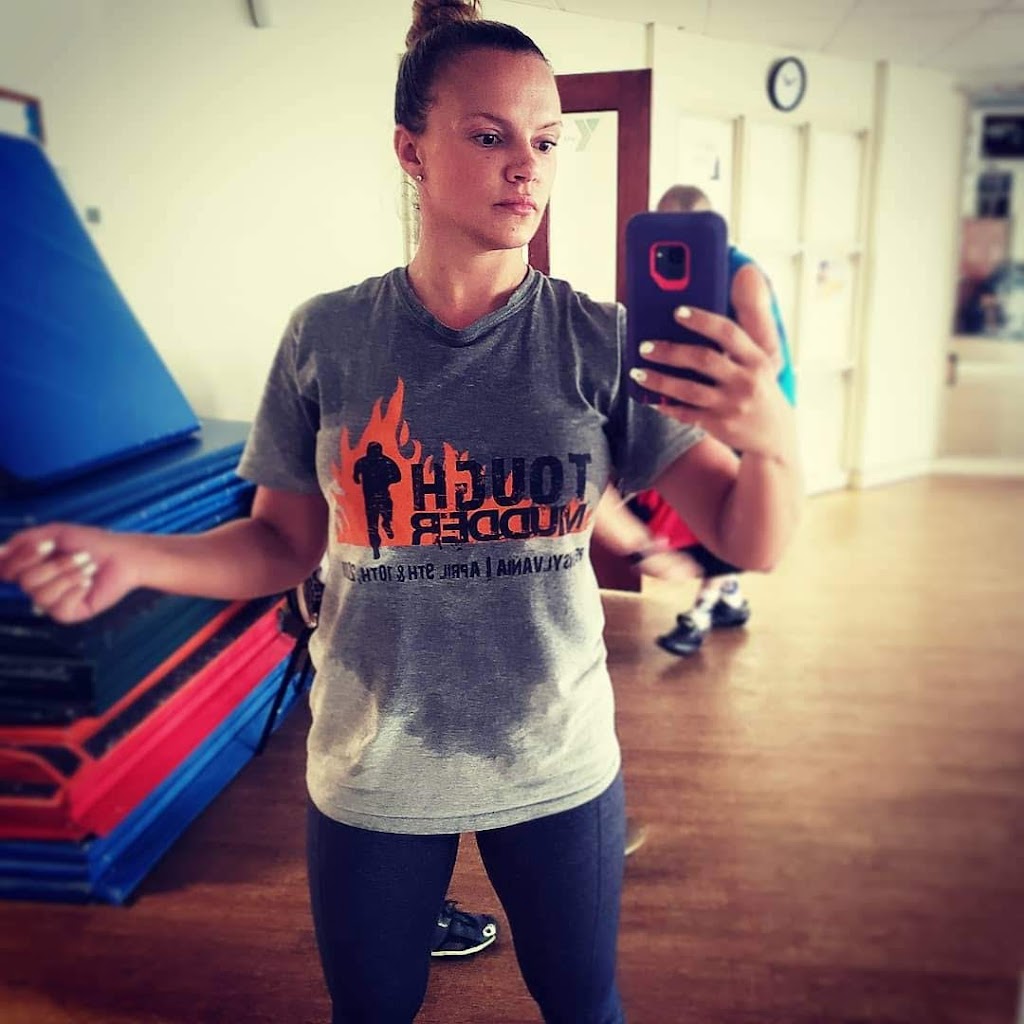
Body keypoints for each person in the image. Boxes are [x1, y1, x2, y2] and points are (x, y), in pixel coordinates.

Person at [0, 5, 801, 1021]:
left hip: (555, 759)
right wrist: (135, 558)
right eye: (490, 135)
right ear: (411, 151)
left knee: (583, 1007)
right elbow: (282, 542)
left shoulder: (597, 341)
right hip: (373, 763)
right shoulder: (327, 337)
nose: (527, 167)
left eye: (548, 140)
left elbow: (749, 538)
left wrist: (774, 435)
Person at [594, 184, 798, 658]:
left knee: (733, 509)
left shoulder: (742, 275)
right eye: (663, 224)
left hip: (746, 408)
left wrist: (764, 428)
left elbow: (769, 358)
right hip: (691, 396)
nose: (673, 237)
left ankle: (703, 609)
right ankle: (728, 596)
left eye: (685, 228)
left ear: (712, 231)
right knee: (694, 509)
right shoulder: (649, 265)